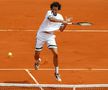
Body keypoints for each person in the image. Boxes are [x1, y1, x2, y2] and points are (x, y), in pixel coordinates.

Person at [34, 1, 72, 82]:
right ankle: (37, 61)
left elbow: (61, 30)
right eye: (53, 9)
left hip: (50, 36)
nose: (55, 11)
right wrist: (63, 21)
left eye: (56, 10)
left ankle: (56, 72)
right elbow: (51, 19)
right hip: (41, 34)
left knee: (56, 54)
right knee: (36, 54)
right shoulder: (48, 13)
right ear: (51, 9)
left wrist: (66, 23)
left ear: (58, 10)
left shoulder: (60, 16)